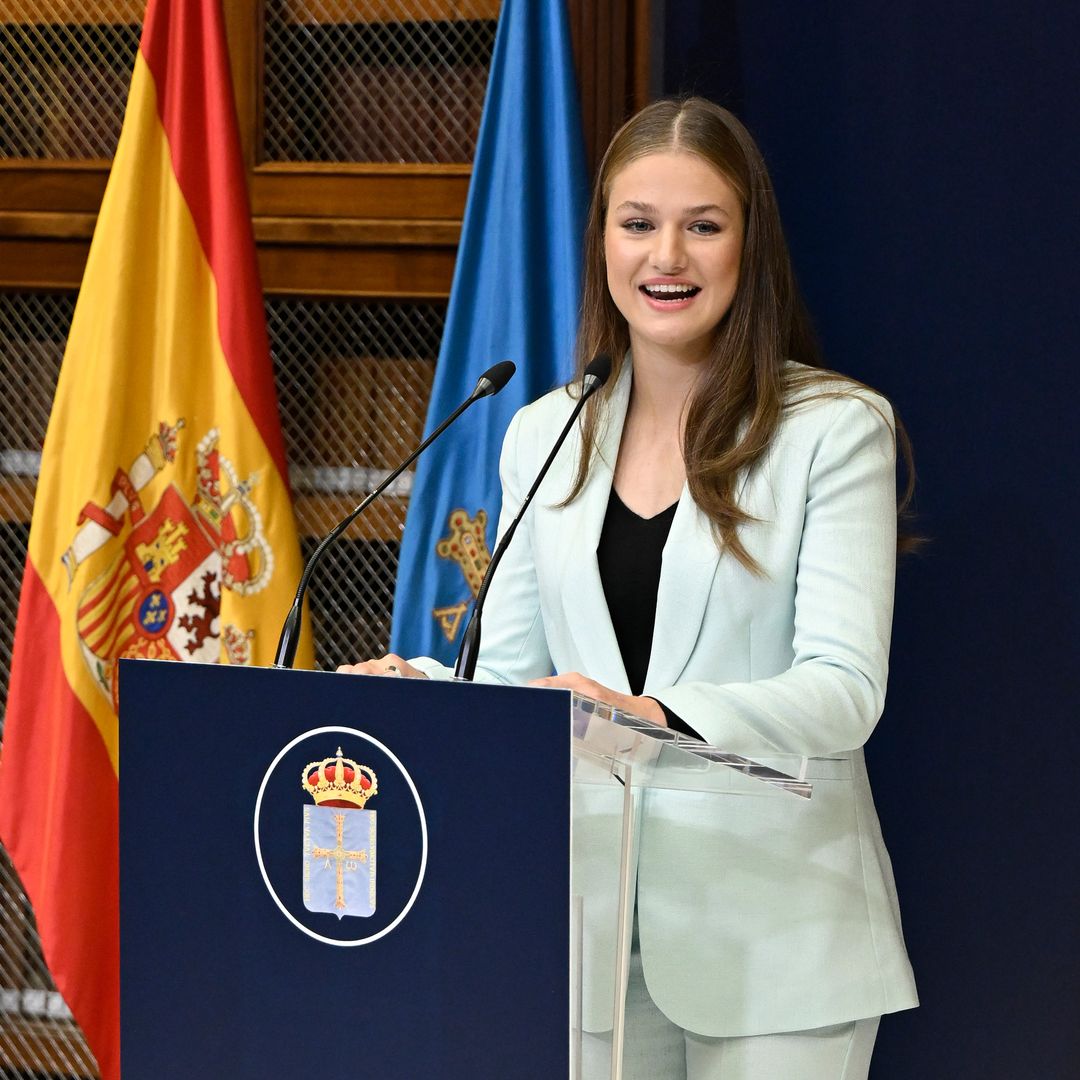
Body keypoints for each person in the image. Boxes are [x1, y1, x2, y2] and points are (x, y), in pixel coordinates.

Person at [339, 97, 918, 1079]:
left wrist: (647, 713)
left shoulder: (834, 429)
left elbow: (844, 691)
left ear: (749, 243)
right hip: (587, 936)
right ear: (602, 237)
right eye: (639, 223)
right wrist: (421, 698)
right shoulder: (544, 431)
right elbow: (519, 687)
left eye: (703, 226)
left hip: (779, 940)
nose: (668, 259)